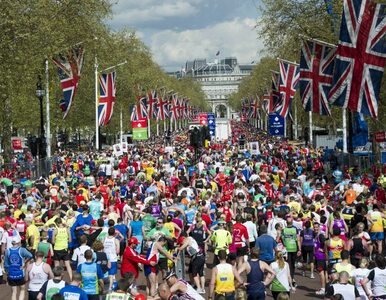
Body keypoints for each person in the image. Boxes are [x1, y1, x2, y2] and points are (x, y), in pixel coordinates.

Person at [4, 236, 33, 300]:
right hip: (20, 273)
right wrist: (25, 263)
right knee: (22, 290)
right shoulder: (22, 250)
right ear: (18, 242)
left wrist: (7, 273)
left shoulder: (7, 251)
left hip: (11, 274)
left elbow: (6, 264)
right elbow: (30, 255)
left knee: (14, 292)